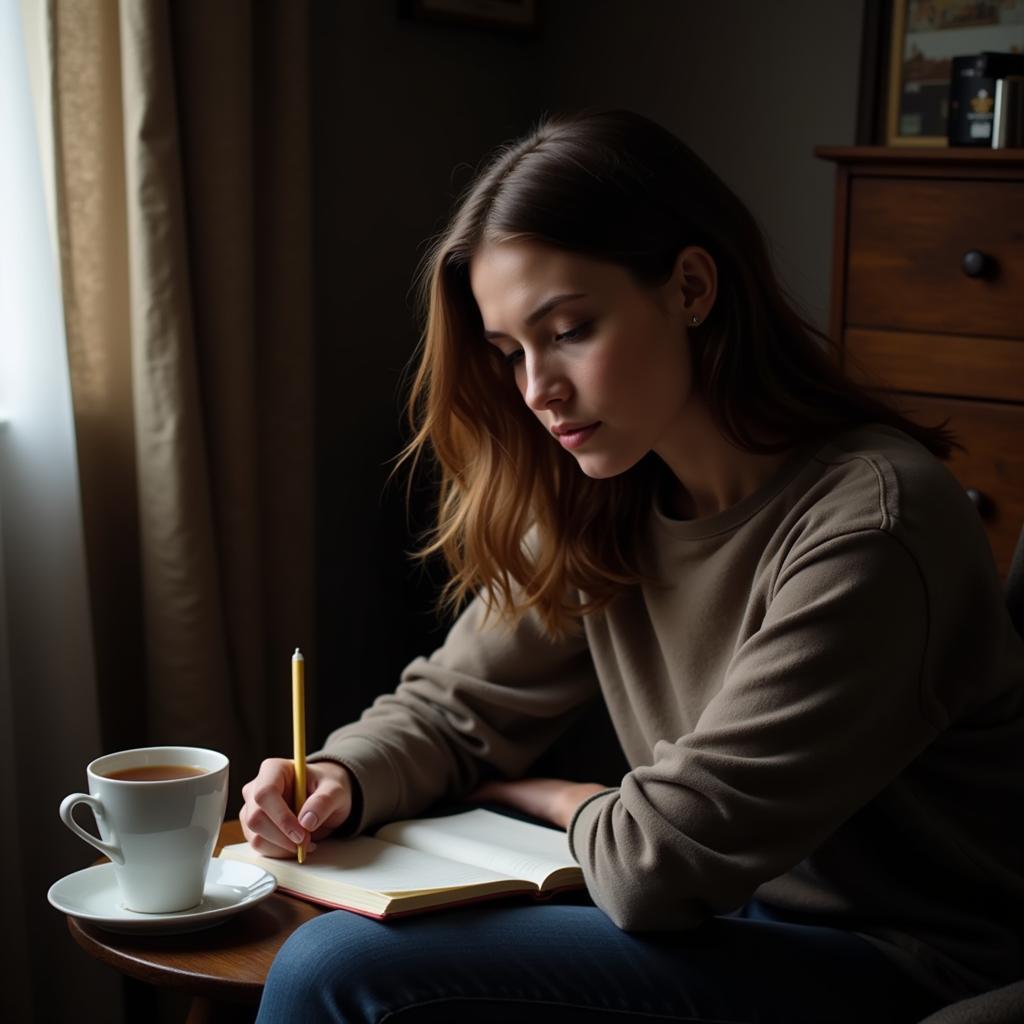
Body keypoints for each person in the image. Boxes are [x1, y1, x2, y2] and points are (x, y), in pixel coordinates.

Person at [241, 108, 1024, 1023]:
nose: (538, 390)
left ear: (691, 286)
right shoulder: (607, 495)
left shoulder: (870, 532)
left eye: (569, 329)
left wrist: (558, 795)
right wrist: (338, 778)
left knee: (338, 968)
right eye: (509, 354)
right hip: (738, 922)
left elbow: (657, 864)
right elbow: (455, 708)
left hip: (901, 962)